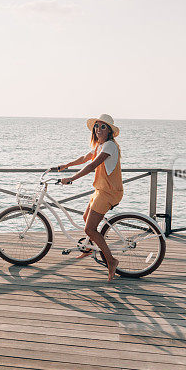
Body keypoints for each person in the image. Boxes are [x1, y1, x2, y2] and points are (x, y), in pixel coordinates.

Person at [56, 114, 124, 281]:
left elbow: (92, 165)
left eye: (103, 127)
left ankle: (111, 261)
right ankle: (89, 248)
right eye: (96, 126)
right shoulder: (100, 146)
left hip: (109, 192)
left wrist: (71, 178)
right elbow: (85, 158)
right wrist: (67, 165)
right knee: (86, 217)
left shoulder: (109, 146)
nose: (98, 129)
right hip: (101, 190)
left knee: (89, 229)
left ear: (109, 131)